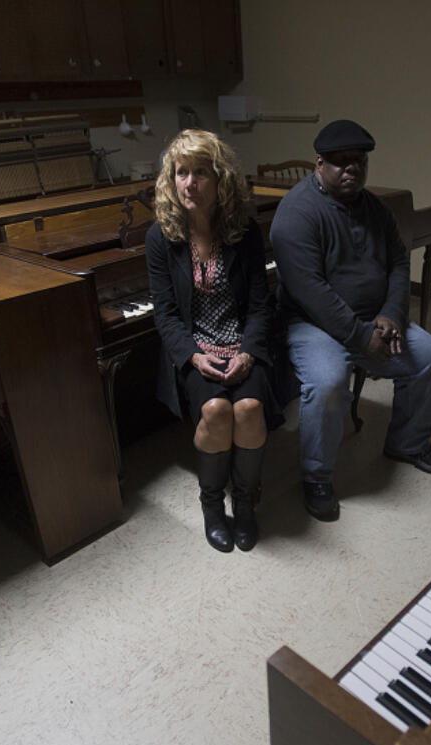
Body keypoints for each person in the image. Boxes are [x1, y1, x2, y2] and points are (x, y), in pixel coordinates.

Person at [269, 119, 431, 522]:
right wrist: (359, 336)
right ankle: (316, 476)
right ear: (319, 163)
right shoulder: (296, 213)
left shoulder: (374, 208)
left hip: (373, 318)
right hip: (312, 324)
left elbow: (399, 264)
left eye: (360, 161)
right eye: (341, 162)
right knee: (329, 381)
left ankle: (407, 444)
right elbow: (309, 291)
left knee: (430, 357)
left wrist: (391, 313)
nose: (353, 169)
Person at [146, 129, 280, 552]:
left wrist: (248, 351)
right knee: (218, 410)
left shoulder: (244, 231)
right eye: (181, 173)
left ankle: (244, 506)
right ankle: (211, 506)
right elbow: (165, 315)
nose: (190, 183)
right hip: (197, 350)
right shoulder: (160, 239)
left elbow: (261, 305)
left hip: (242, 344)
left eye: (200, 172)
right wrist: (191, 355)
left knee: (251, 408)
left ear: (220, 178)